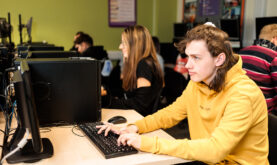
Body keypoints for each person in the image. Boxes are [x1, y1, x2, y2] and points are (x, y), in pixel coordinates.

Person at [97, 24, 269, 164]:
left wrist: (145, 143)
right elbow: (170, 114)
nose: (187, 65)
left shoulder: (243, 93)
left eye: (196, 58)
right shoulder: (199, 83)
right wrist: (134, 127)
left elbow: (215, 150)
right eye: (187, 57)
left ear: (219, 59)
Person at [102, 25, 164, 116]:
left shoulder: (144, 65)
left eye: (123, 43)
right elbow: (131, 95)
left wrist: (108, 101)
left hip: (141, 120)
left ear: (135, 45)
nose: (120, 47)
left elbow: (140, 105)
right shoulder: (142, 63)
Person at [239, 24, 277, 115]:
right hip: (263, 112)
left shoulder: (241, 52)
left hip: (239, 106)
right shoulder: (274, 57)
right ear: (275, 38)